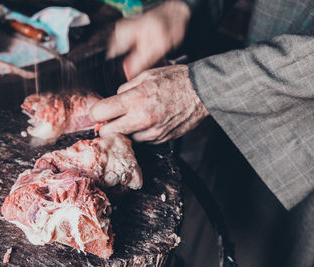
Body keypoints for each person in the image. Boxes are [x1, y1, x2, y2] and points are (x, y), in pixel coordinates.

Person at [89, 0, 314, 266]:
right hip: (242, 107)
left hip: (305, 151)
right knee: (198, 243)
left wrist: (205, 86)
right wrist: (185, 7)